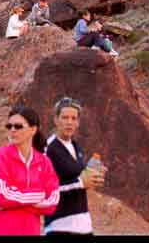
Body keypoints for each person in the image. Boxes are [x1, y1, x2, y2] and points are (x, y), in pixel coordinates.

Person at [0, 104, 59, 235]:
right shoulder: (0, 157)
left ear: (33, 129)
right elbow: (2, 197)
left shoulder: (44, 163)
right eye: (9, 126)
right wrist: (39, 195)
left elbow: (53, 202)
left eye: (18, 126)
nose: (12, 130)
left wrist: (15, 201)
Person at [43, 98, 104, 235]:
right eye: (65, 117)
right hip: (59, 226)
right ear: (56, 119)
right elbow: (45, 192)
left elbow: (79, 178)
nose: (69, 122)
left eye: (73, 118)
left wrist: (93, 176)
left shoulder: (75, 146)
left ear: (78, 122)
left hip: (83, 224)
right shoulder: (48, 149)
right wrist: (81, 182)